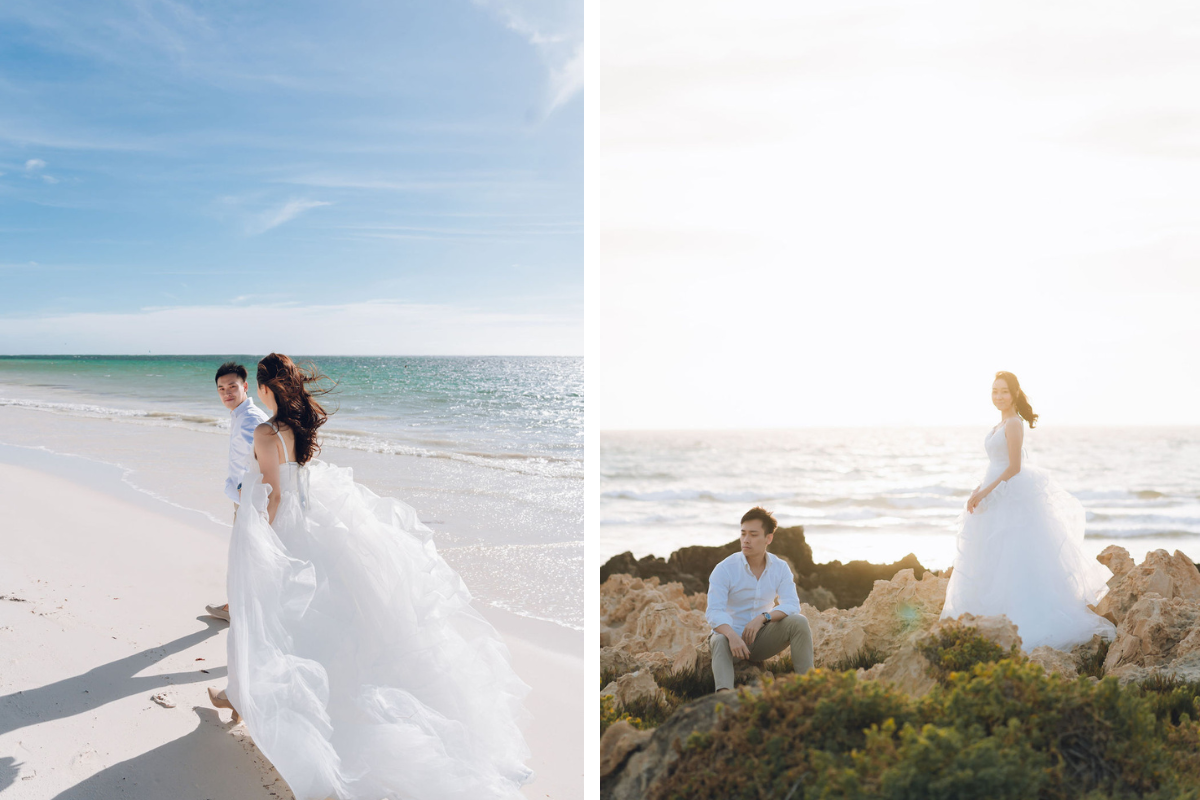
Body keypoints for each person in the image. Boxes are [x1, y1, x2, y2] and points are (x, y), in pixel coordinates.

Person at [207, 353, 533, 800]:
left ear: (263, 389)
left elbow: (275, 494)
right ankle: (240, 695)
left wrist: (264, 538)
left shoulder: (265, 432)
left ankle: (251, 700)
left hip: (288, 527)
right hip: (315, 520)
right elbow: (300, 479)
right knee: (315, 623)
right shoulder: (300, 428)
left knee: (267, 614)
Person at [940, 371, 1116, 650]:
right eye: (995, 391)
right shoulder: (999, 424)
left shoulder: (1013, 424)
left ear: (1015, 394)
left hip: (1008, 494)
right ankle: (989, 618)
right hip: (994, 490)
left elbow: (1014, 468)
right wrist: (979, 489)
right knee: (989, 559)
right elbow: (995, 465)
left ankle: (1020, 623)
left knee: (1013, 558)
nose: (998, 396)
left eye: (1004, 392)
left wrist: (987, 491)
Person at [706, 507, 814, 692]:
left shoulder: (780, 567)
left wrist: (763, 618)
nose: (746, 540)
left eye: (753, 534)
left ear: (768, 538)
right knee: (718, 640)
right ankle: (724, 698)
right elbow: (714, 612)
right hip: (730, 643)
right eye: (743, 534)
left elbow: (792, 604)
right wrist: (732, 636)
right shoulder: (725, 568)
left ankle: (809, 688)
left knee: (799, 622)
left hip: (762, 639)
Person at [205, 361, 269, 623]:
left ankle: (239, 611)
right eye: (221, 389)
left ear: (244, 386)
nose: (226, 393)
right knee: (245, 554)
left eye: (232, 386)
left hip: (249, 499)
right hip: (245, 496)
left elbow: (265, 460)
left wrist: (245, 491)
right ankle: (237, 606)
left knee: (246, 555)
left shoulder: (251, 419)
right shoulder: (241, 416)